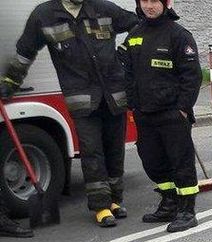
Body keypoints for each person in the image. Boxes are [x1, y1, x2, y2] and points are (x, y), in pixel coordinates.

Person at [1, 0, 137, 228]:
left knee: (114, 149)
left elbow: (138, 26)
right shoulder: (44, 15)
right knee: (92, 151)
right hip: (82, 100)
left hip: (114, 95)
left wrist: (124, 53)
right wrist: (10, 82)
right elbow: (25, 52)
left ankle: (115, 200)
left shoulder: (103, 8)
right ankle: (100, 206)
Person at [119, 0, 200, 233]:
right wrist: (133, 105)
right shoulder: (134, 35)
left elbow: (192, 76)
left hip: (172, 113)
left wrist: (183, 109)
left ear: (166, 3)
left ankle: (186, 211)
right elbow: (125, 70)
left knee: (180, 163)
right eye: (144, 0)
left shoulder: (179, 35)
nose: (149, 6)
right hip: (144, 113)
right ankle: (169, 202)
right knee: (153, 162)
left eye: (154, 1)